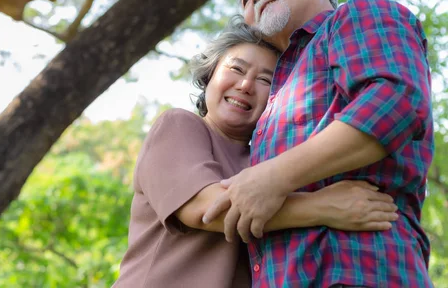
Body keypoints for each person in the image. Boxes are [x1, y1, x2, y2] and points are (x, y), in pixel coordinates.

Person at [203, 0, 434, 287]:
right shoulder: (272, 96)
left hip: (361, 268)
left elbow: (394, 101)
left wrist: (274, 177)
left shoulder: (356, 16)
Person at [114, 21, 399, 287]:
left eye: (265, 80)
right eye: (236, 69)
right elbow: (206, 210)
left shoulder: (273, 163)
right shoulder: (179, 125)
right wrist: (325, 207)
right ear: (210, 74)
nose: (246, 85)